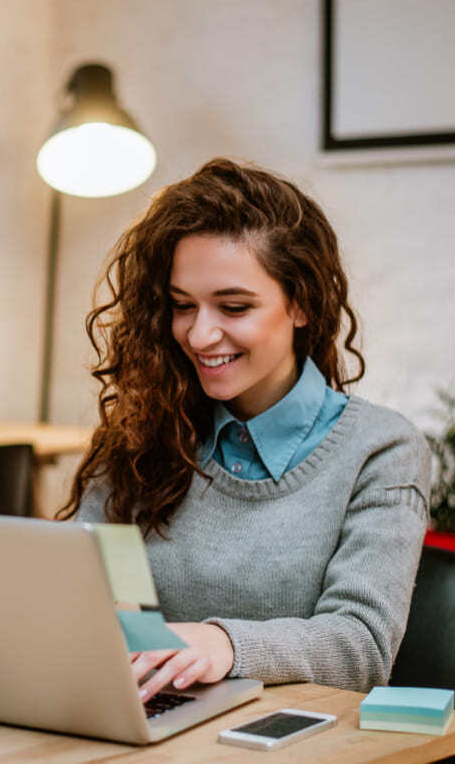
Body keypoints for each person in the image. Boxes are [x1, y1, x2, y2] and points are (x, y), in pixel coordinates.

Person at [57, 158, 430, 702]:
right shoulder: (146, 433)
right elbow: (96, 579)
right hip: (150, 727)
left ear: (301, 303)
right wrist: (115, 620)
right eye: (183, 306)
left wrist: (222, 643)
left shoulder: (380, 451)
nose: (201, 335)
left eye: (233, 306)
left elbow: (361, 645)